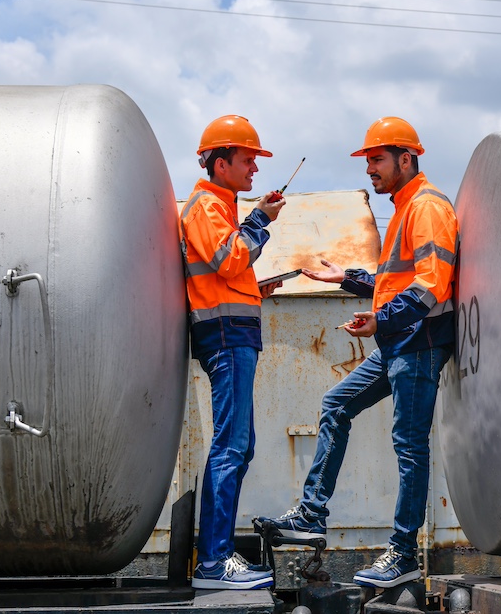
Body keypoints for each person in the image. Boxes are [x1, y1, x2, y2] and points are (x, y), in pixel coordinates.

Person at [260, 117, 458, 588]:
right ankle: (311, 514)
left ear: (405, 159)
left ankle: (404, 553)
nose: (369, 168)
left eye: (376, 159)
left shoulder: (427, 207)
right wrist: (346, 279)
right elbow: (394, 284)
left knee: (409, 447)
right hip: (399, 344)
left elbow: (431, 285)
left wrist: (381, 321)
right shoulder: (407, 206)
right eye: (368, 160)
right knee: (336, 404)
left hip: (419, 346)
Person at [180, 115, 287, 590]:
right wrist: (261, 218)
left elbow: (227, 268)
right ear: (220, 163)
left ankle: (217, 558)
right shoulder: (207, 207)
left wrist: (254, 284)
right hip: (226, 337)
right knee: (231, 447)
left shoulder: (218, 207)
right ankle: (214, 563)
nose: (254, 170)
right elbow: (230, 259)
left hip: (232, 334)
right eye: (248, 160)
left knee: (239, 447)